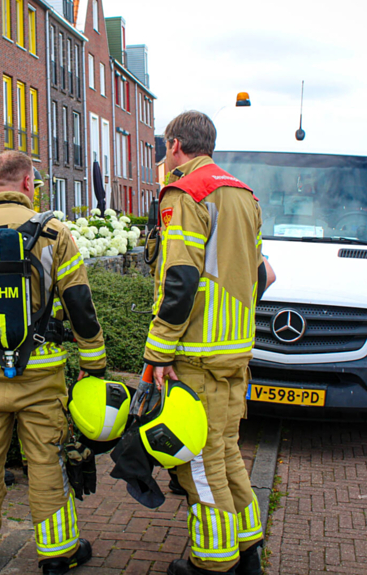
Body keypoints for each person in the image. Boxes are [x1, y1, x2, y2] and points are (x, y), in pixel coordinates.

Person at [0, 150, 107, 575]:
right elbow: (79, 303)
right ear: (29, 183)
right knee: (47, 458)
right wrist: (94, 364)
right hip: (42, 373)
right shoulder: (54, 233)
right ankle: (57, 554)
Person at [144, 111, 276, 575]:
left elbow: (180, 279)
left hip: (197, 354)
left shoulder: (187, 193)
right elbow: (264, 274)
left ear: (176, 144)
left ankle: (212, 565)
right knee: (224, 452)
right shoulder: (243, 194)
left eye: (165, 147)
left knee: (198, 463)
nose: (164, 156)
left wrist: (157, 350)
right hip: (236, 350)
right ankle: (248, 553)